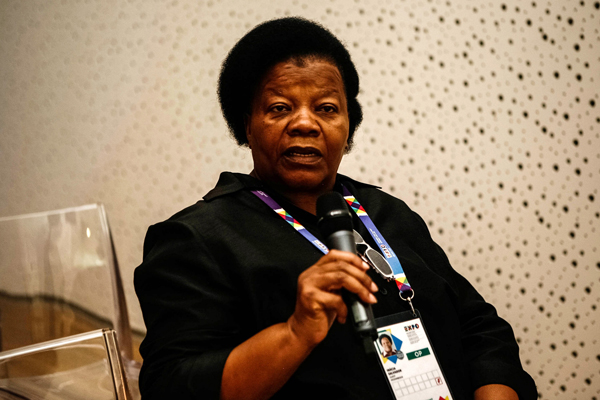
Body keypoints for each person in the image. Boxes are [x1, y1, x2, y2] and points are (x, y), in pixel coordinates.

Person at [134, 17, 537, 400]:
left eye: (326, 108)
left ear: (348, 126)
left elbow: (481, 329)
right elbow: (172, 386)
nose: (305, 123)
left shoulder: (387, 212)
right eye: (280, 108)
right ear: (247, 124)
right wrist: (295, 333)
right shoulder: (195, 239)